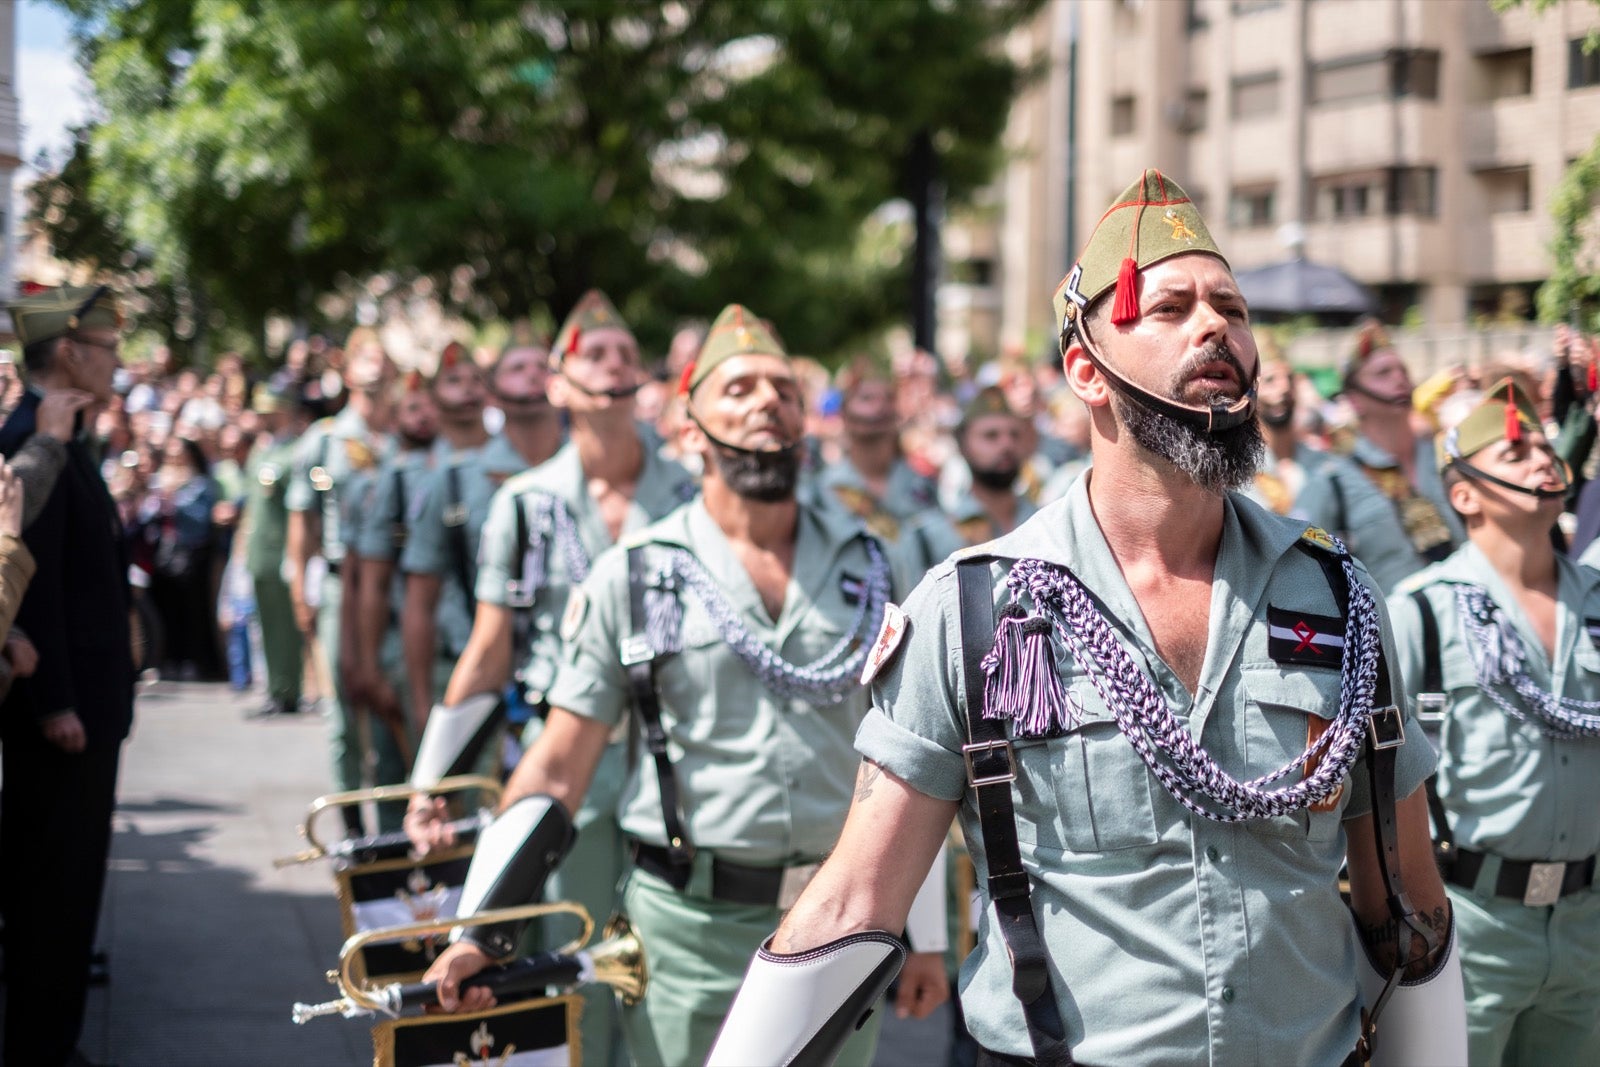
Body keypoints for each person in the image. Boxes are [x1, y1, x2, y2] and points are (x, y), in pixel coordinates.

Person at [710, 171, 1464, 1067]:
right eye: (1170, 307)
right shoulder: (974, 608)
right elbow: (854, 901)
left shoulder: (1339, 597)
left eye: (1231, 307)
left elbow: (1406, 908)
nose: (1215, 326)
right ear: (1086, 371)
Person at [414, 303, 948, 1066]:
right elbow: (558, 766)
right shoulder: (632, 576)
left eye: (784, 389)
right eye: (738, 388)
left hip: (839, 927)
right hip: (686, 933)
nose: (767, 401)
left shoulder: (875, 564)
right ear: (689, 430)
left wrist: (924, 935)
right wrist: (480, 931)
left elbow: (909, 762)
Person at [407, 292, 695, 1067]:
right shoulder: (525, 503)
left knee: (669, 967)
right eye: (592, 354)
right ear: (559, 384)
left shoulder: (694, 491)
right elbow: (489, 648)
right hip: (567, 755)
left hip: (673, 753)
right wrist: (432, 781)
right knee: (576, 959)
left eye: (625, 353)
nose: (613, 364)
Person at [1387, 379, 1600, 1065]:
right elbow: (1380, 781)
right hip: (1470, 921)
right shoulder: (1420, 610)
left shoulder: (1596, 601)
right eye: (1515, 452)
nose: (1542, 459)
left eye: (1545, 448)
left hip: (1585, 924)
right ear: (1465, 495)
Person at [0, 284, 137, 1067]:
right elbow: (32, 581)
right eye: (106, 348)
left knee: (70, 883)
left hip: (86, 697)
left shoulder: (64, 434)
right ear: (68, 351)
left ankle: (54, 1037)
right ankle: (41, 1045)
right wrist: (53, 701)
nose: (116, 361)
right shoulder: (34, 438)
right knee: (51, 885)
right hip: (63, 709)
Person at [285, 332, 397, 837]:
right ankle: (353, 827)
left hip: (397, 588)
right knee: (344, 710)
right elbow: (302, 520)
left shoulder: (405, 435)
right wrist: (299, 592)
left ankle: (393, 821)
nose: (377, 368)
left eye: (383, 360)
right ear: (348, 373)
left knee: (392, 704)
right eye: (366, 360)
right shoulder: (325, 439)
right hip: (339, 588)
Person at [1299, 322, 1462, 594]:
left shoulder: (1444, 454)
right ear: (1354, 399)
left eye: (1403, 371)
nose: (1400, 379)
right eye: (1383, 373)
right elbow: (1305, 562)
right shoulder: (1333, 477)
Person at [902, 386, 1037, 580]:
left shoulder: (1043, 520)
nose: (1006, 445)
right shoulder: (933, 534)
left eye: (1015, 435)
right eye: (991, 435)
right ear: (962, 445)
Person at [241, 381, 309, 718]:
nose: (261, 418)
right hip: (260, 553)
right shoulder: (262, 450)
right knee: (267, 624)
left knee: (284, 626)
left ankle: (287, 690)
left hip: (282, 551)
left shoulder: (296, 452)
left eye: (268, 411)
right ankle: (274, 687)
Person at [813, 360, 939, 542]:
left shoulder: (921, 483)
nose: (880, 406)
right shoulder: (823, 488)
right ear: (844, 412)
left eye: (889, 398)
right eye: (866, 398)